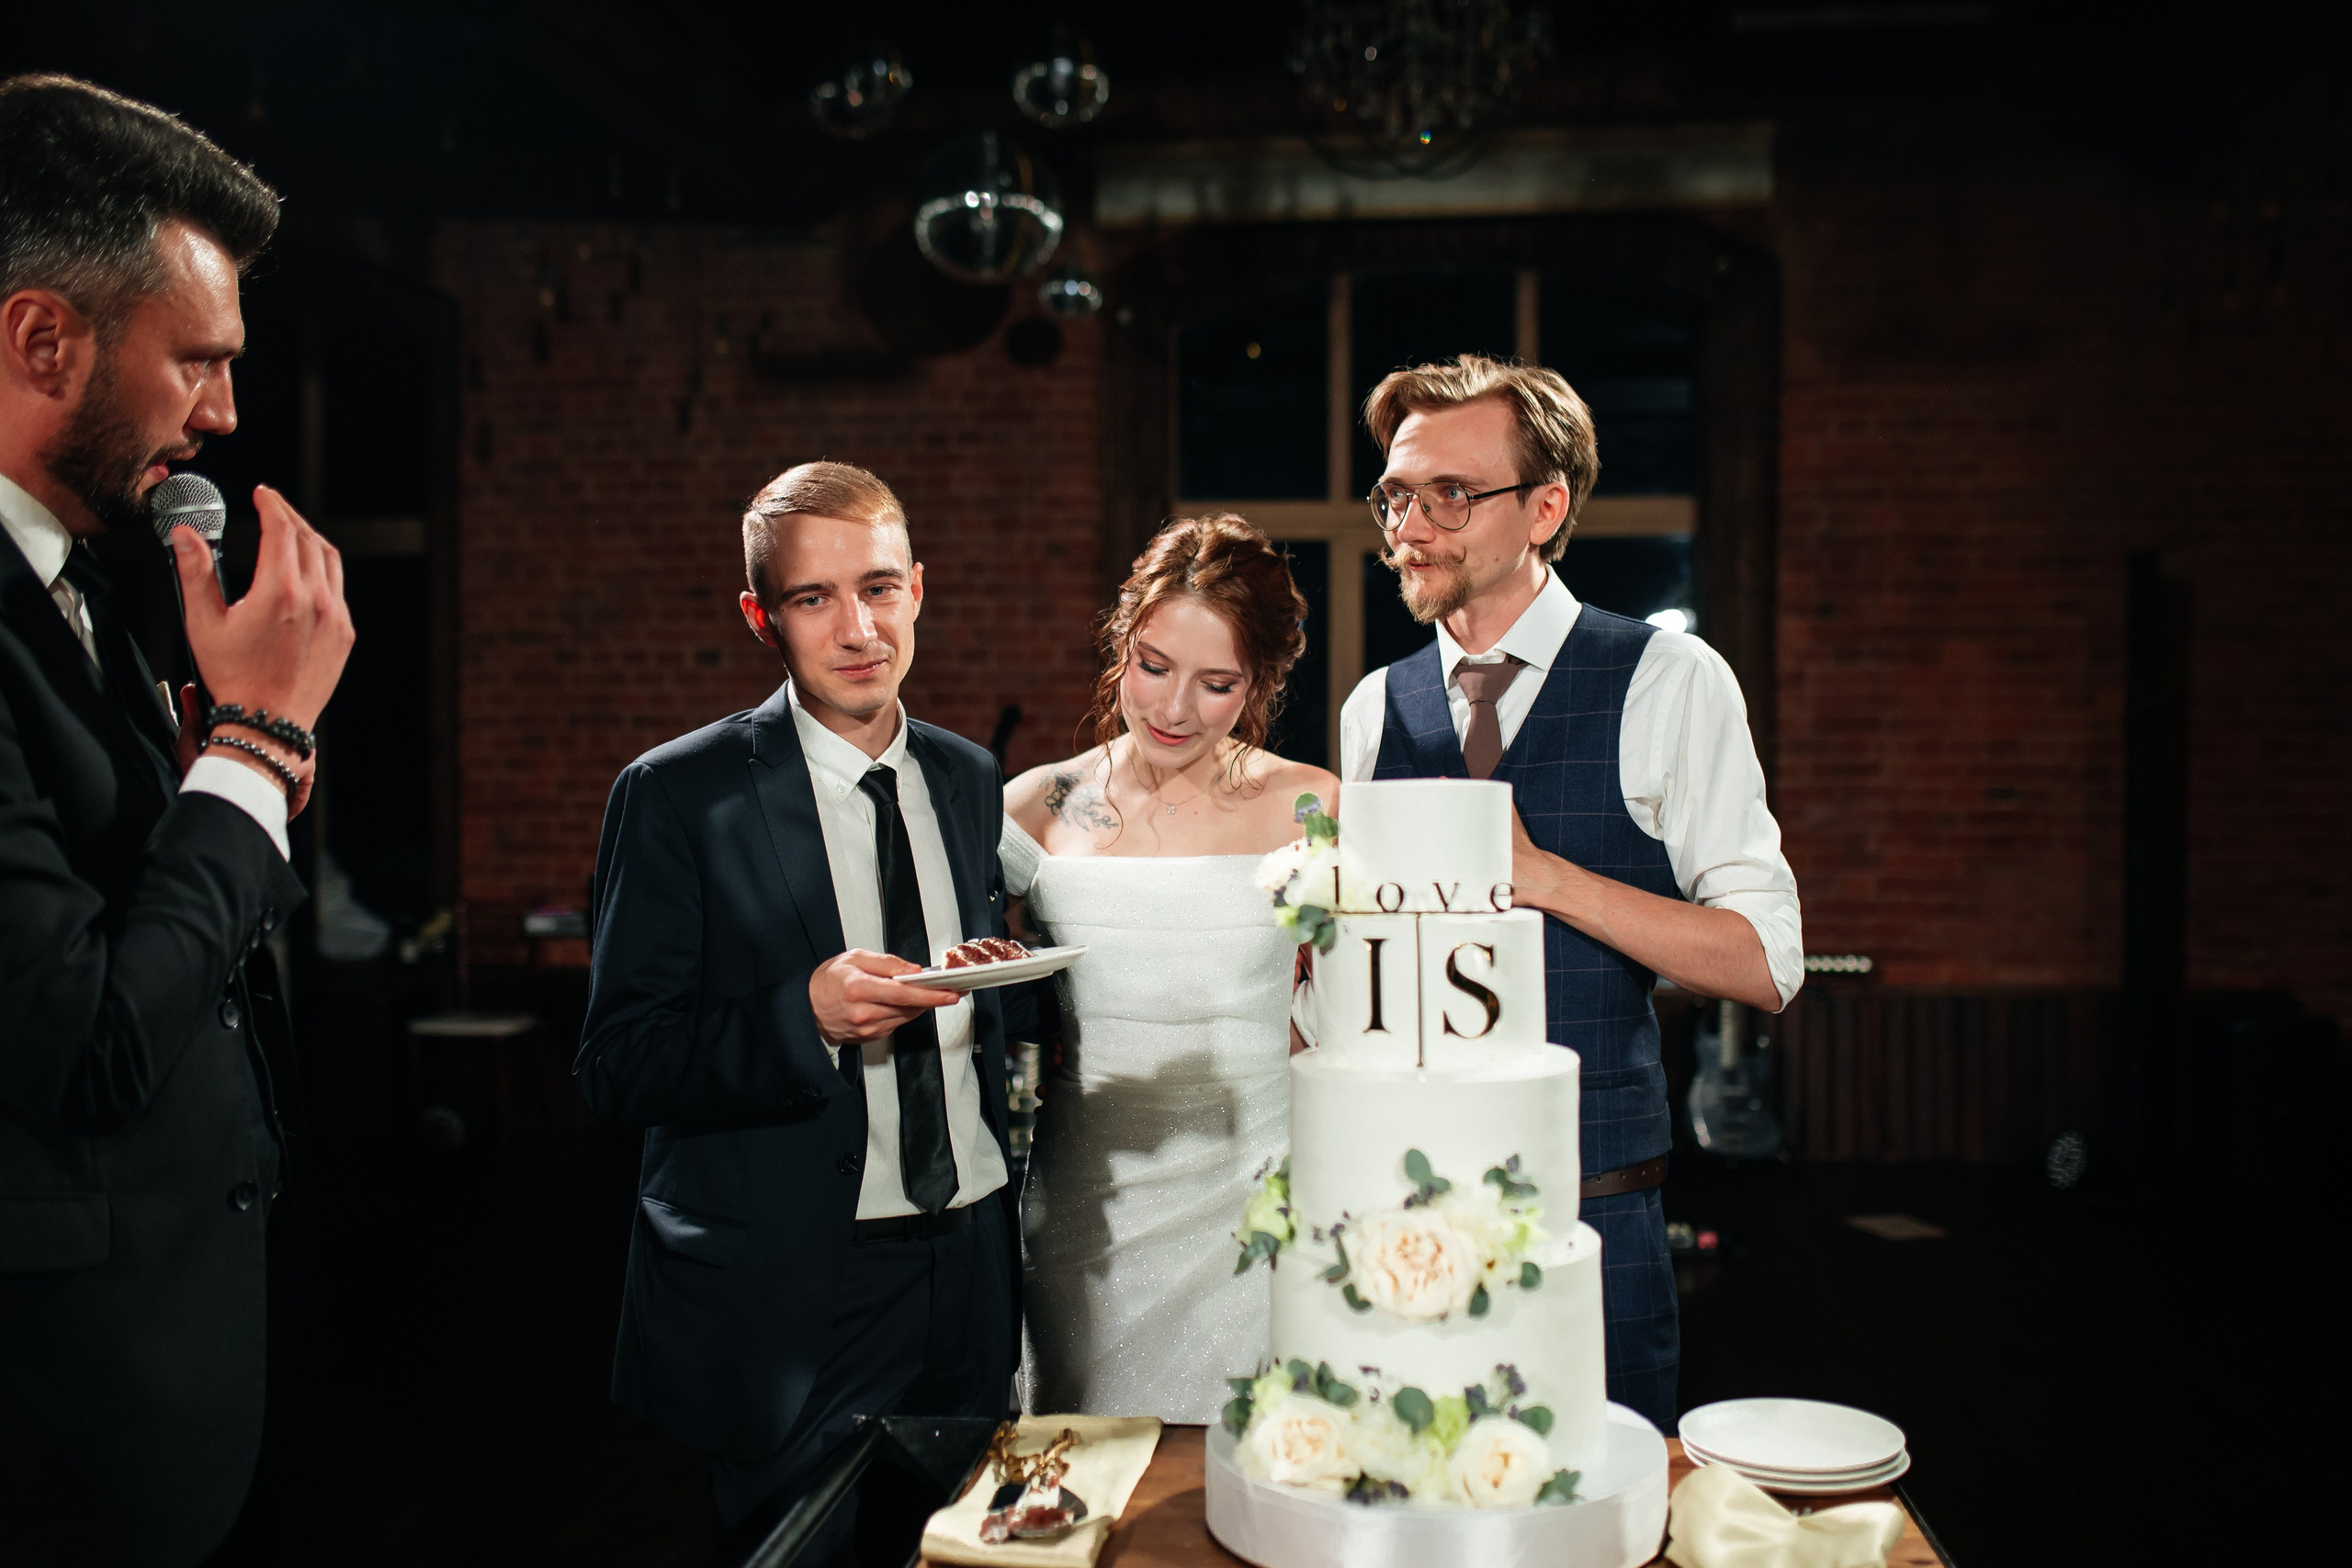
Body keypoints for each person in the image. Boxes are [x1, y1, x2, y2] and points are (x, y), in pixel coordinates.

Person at [0, 76, 355, 1568]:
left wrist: (226, 785)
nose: (222, 413)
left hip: (167, 1384)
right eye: (197, 360)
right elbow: (84, 1042)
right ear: (43, 339)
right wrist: (257, 753)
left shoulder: (76, 585)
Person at [1326, 355, 1803, 1432]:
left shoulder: (1670, 681)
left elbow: (1764, 963)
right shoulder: (1372, 709)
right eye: (1396, 494)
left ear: (1544, 510)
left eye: (1451, 494)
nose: (1408, 525)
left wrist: (1543, 878)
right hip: (1401, 1216)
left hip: (1593, 1216)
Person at [577, 462, 1026, 1559]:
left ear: (917, 588)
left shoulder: (969, 778)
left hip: (972, 1263)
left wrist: (992, 978)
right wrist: (805, 1016)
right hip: (800, 1289)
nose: (858, 628)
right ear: (759, 618)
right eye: (813, 598)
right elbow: (617, 1066)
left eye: (878, 587)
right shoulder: (679, 795)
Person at [1004, 513, 1338, 1420]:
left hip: (1262, 1206)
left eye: (1216, 683)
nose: (1174, 708)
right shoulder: (1037, 806)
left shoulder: (1311, 806)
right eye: (1153, 666)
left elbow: (1352, 1010)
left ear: (1259, 682)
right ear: (1121, 643)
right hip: (1089, 1204)